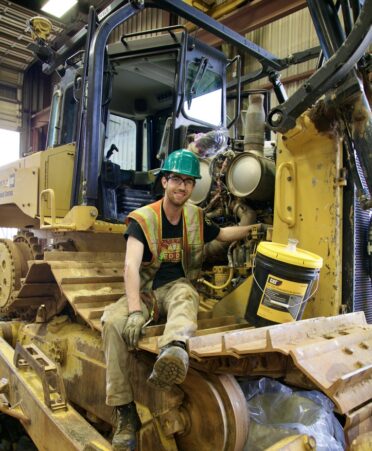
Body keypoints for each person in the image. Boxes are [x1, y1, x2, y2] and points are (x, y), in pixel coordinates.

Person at [102, 149, 254, 450]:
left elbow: (222, 234)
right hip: (145, 294)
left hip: (177, 289)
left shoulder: (195, 217)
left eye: (188, 182)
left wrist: (255, 228)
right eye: (176, 180)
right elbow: (130, 267)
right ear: (164, 182)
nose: (182, 187)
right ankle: (125, 412)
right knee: (110, 322)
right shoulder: (142, 220)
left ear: (192, 186)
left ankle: (173, 351)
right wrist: (134, 312)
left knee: (186, 294)